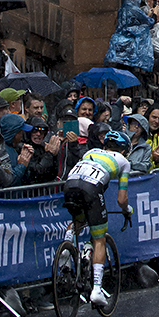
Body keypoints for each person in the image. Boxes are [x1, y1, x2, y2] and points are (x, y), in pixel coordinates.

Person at [62, 130, 133, 307]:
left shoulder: (90, 151)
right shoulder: (123, 162)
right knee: (99, 239)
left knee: (79, 221)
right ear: (124, 150)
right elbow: (121, 199)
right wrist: (127, 209)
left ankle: (66, 248)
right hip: (91, 188)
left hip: (70, 185)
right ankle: (96, 289)